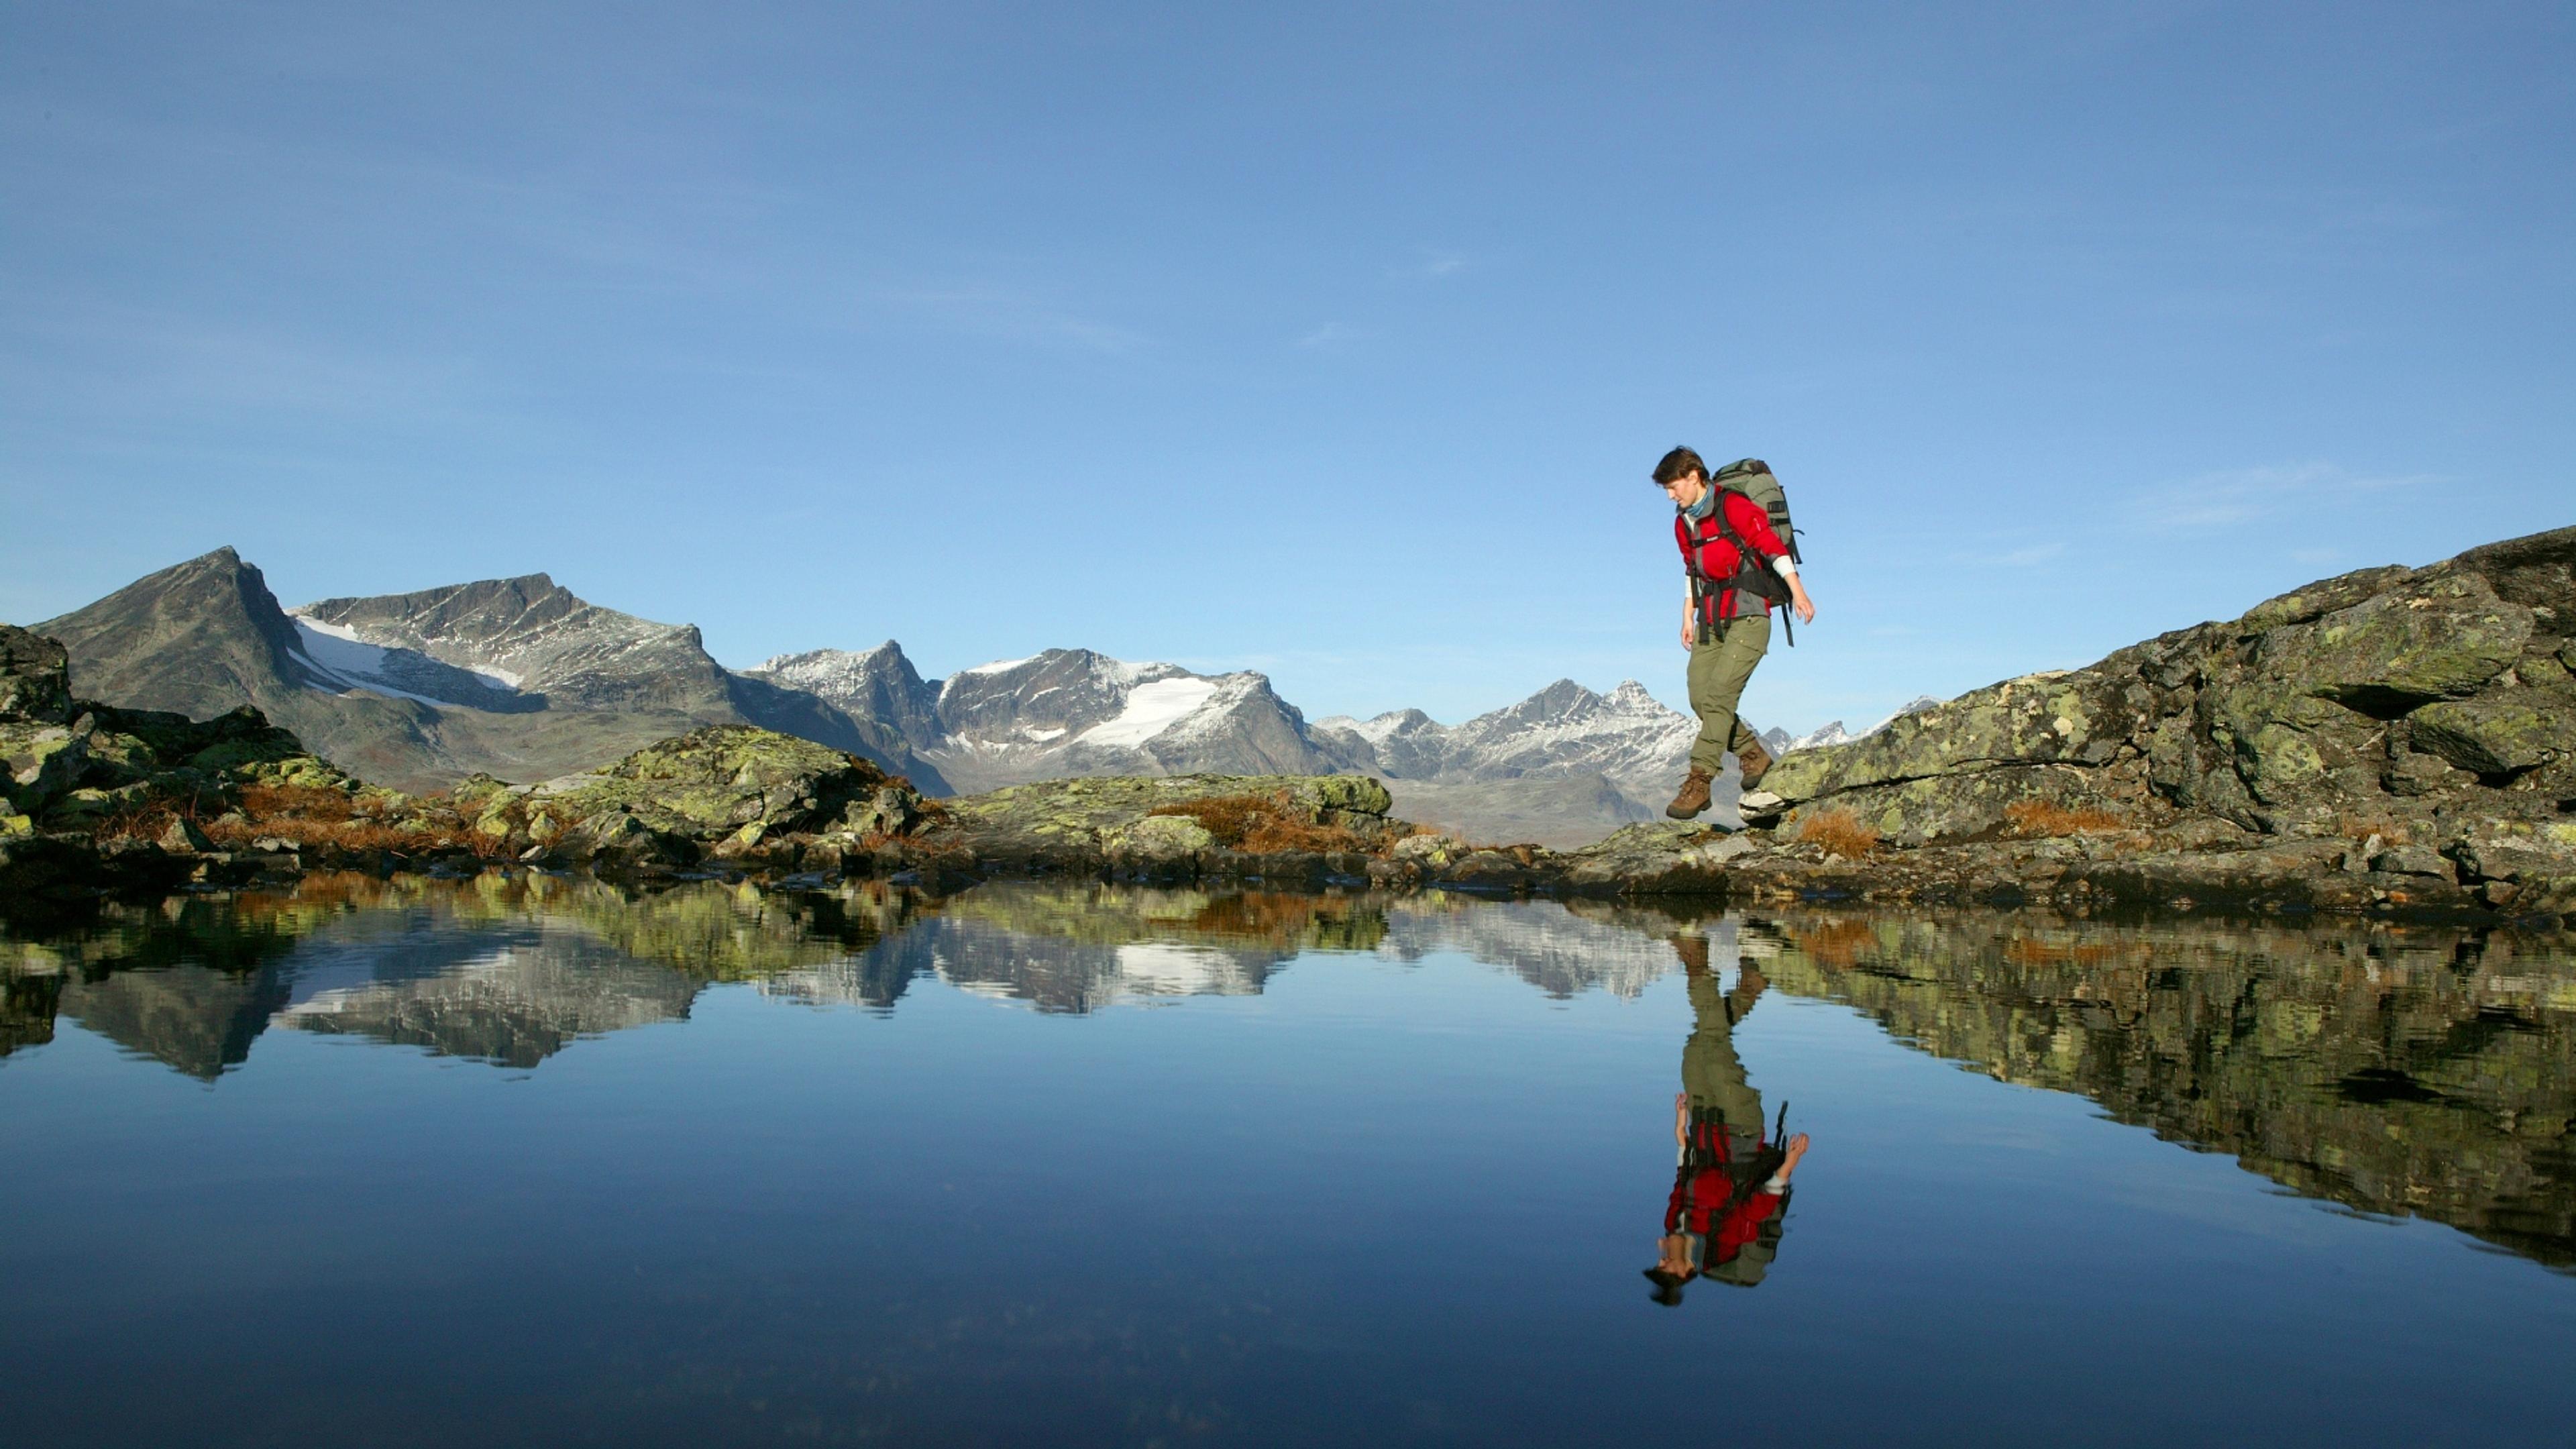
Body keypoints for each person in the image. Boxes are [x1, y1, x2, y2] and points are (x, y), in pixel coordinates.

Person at [1644, 926, 1811, 1305]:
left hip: (1702, 1120)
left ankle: (1750, 985)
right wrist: (1790, 1162)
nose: (1661, 1258)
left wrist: (1680, 1127)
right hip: (1740, 1124)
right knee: (1714, 1043)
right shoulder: (1719, 1243)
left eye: (1658, 1263)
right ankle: (1696, 962)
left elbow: (1681, 1175)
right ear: (1686, 1272)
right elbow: (1759, 1204)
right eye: (1666, 1268)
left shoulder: (1674, 1224)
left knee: (1698, 1045)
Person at [1652, 447, 1817, 820]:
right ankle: (1753, 755)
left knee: (1721, 697)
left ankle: (1700, 781)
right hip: (1711, 618)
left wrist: (1798, 591)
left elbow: (1772, 549)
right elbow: (1691, 570)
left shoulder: (1734, 507)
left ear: (1694, 476)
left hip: (1748, 617)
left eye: (1673, 487)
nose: (1670, 496)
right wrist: (1686, 616)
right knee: (1700, 696)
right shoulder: (1683, 523)